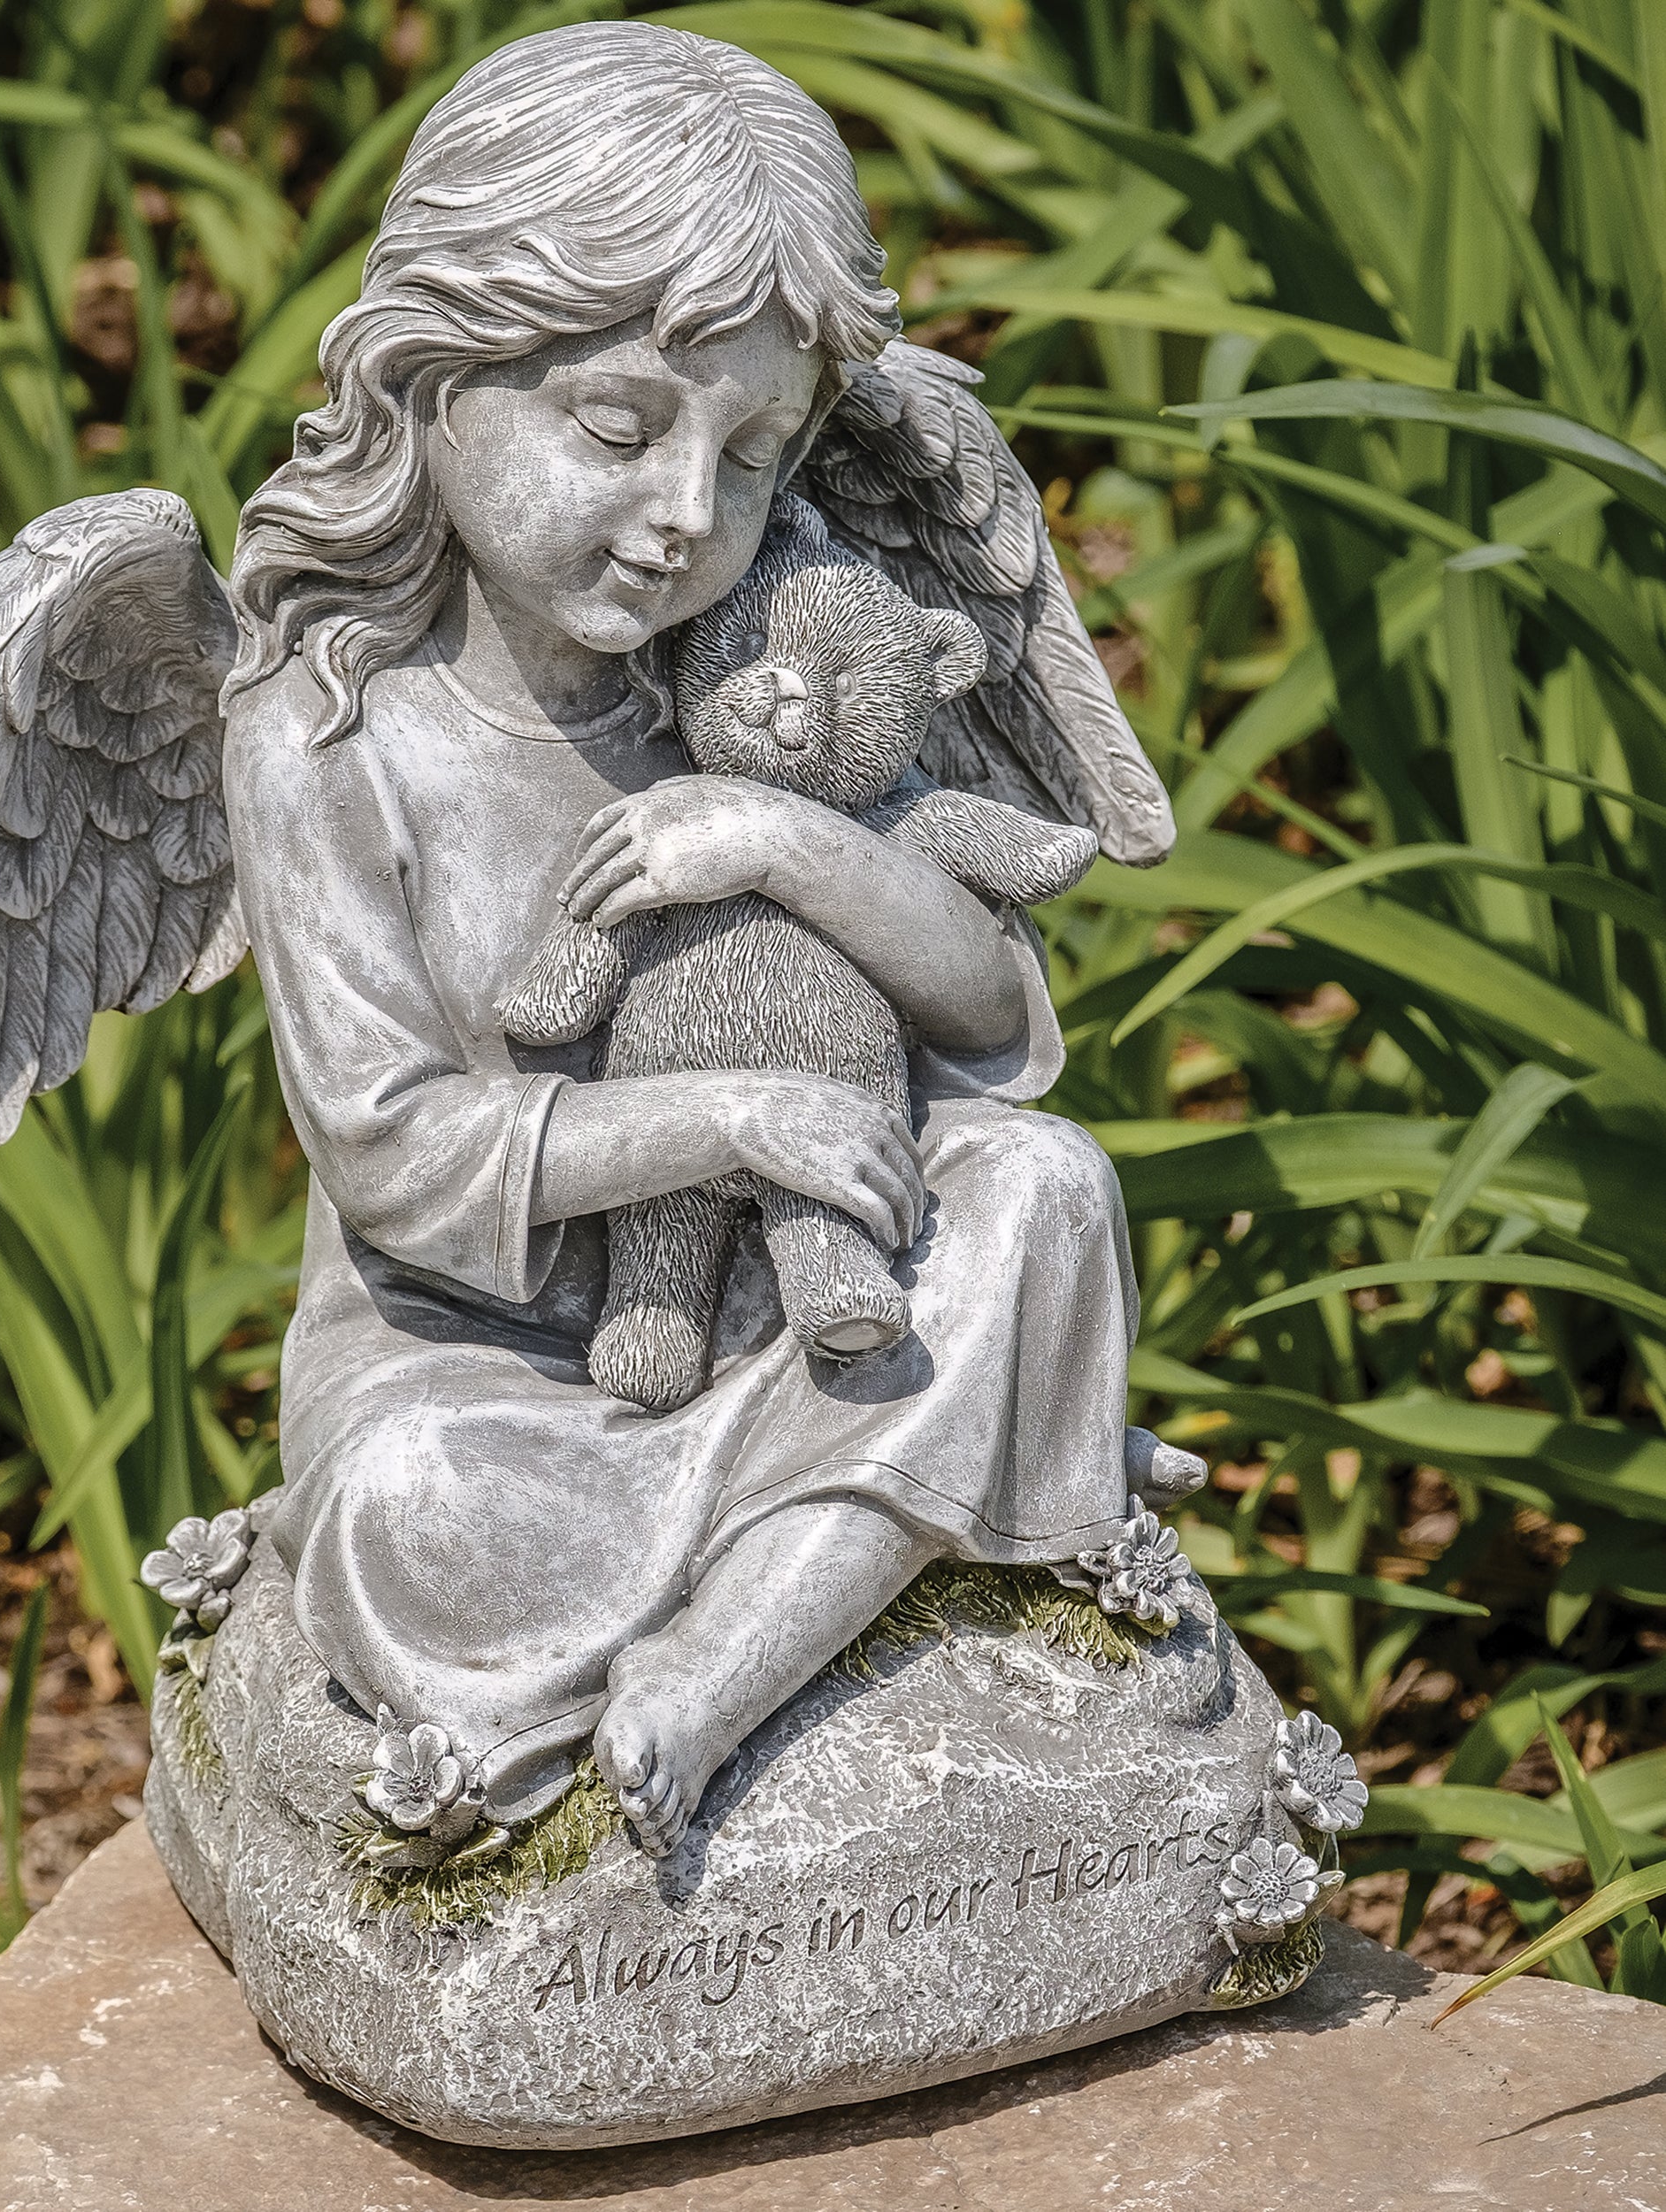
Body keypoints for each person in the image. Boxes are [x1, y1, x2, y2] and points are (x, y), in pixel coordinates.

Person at [222, 20, 1146, 1857]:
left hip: (791, 1309)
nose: (679, 523)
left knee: (1040, 1186)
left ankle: (722, 1655)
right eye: (616, 425)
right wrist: (731, 1118)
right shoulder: (324, 733)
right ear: (427, 376)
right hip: (473, 1367)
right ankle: (891, 1515)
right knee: (412, 1507)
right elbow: (400, 1156)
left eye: (745, 461)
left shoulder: (766, 668)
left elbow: (982, 1013)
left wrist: (787, 840)